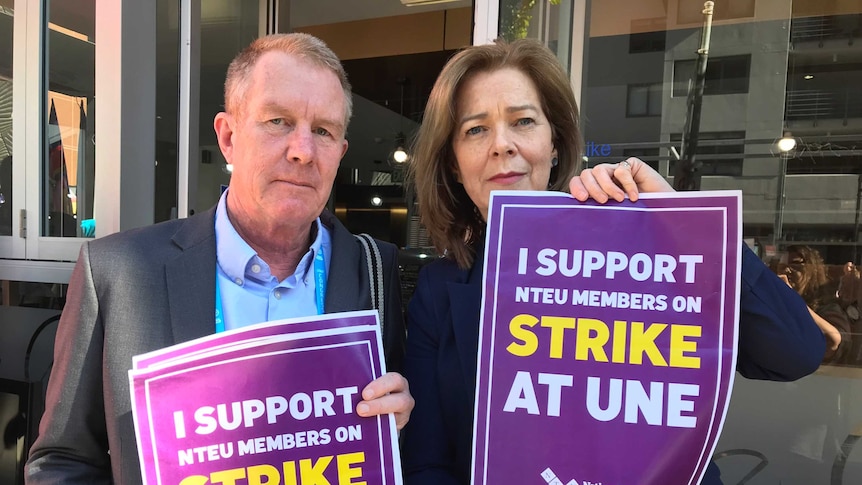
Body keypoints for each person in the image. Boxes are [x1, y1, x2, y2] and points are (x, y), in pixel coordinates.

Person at [400, 38, 824, 485]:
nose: (502, 145)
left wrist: (681, 224)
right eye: (475, 129)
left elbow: (795, 352)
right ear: (453, 162)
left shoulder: (647, 256)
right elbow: (430, 463)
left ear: (556, 142)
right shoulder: (439, 291)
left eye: (523, 121)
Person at [26, 33, 413, 484]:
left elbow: (403, 451)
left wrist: (400, 426)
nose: (302, 150)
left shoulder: (375, 271)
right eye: (278, 121)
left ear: (340, 153)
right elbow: (61, 462)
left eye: (323, 131)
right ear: (228, 137)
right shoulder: (118, 273)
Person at [778, 245, 852, 364]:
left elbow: (833, 342)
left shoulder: (827, 306)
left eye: (795, 265)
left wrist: (792, 300)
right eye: (782, 267)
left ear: (811, 271)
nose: (787, 271)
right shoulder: (778, 305)